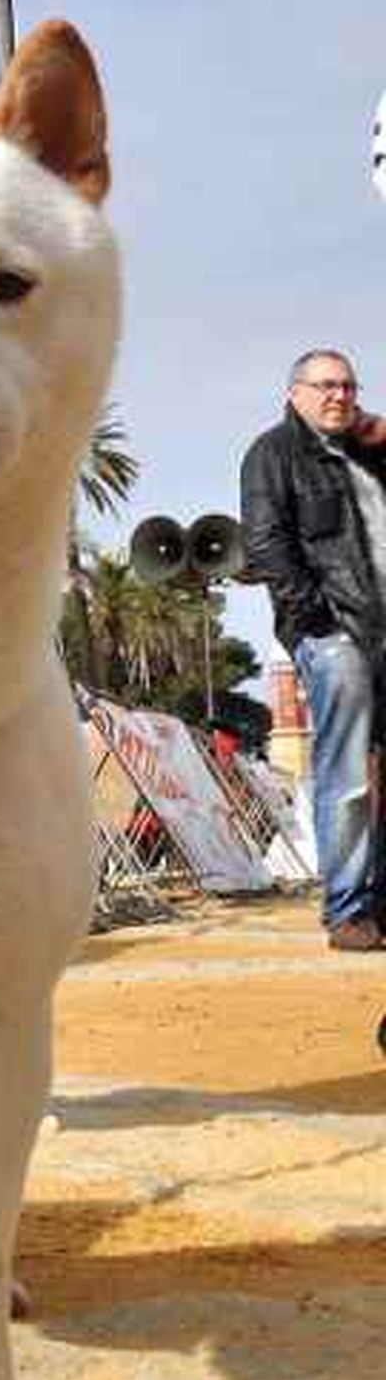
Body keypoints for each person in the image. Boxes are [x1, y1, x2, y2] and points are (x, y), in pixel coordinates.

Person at [241, 349, 386, 951]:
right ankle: (347, 910)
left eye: (349, 386)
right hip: (335, 633)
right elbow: (266, 543)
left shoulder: (367, 456)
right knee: (347, 771)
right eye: (325, 385)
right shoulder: (273, 454)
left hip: (381, 629)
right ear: (295, 392)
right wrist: (317, 622)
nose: (339, 395)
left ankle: (377, 904)